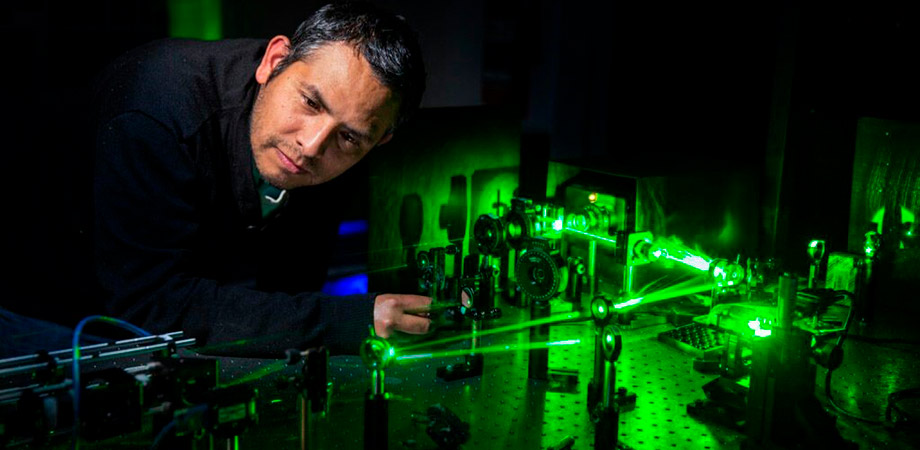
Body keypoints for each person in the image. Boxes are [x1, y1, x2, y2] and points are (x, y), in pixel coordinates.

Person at [92, 2, 431, 357]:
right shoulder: (156, 113)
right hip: (60, 315)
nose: (312, 146)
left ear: (378, 142)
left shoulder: (350, 134)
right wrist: (349, 320)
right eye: (311, 103)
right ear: (274, 61)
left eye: (348, 137)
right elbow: (149, 307)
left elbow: (292, 288)